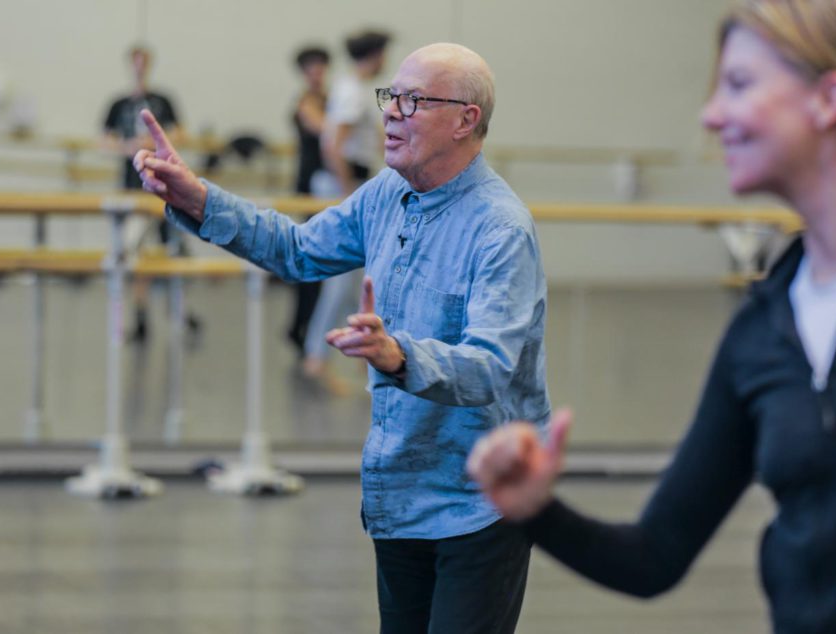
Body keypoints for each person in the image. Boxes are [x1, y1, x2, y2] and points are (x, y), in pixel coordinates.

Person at [468, 1, 836, 633]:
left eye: (740, 84)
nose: (711, 114)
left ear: (829, 98)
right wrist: (536, 510)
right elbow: (655, 556)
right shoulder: (764, 324)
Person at [134, 43, 549, 634]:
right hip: (400, 500)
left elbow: (490, 368)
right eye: (391, 97)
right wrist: (198, 198)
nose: (392, 113)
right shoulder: (387, 194)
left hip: (481, 507)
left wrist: (399, 356)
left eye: (414, 100)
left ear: (466, 120)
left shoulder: (501, 230)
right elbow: (299, 250)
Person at [299, 30, 393, 389]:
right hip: (344, 185)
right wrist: (349, 194)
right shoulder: (353, 92)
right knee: (339, 282)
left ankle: (360, 355)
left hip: (350, 183)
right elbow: (334, 146)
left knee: (357, 281)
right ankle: (315, 358)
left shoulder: (354, 88)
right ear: (376, 53)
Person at [102, 45, 200, 342]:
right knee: (136, 254)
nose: (139, 67)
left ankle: (180, 312)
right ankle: (142, 317)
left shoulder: (163, 100)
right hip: (134, 188)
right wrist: (128, 146)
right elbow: (104, 139)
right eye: (135, 62)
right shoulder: (118, 103)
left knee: (173, 252)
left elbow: (182, 132)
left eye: (143, 62)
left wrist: (156, 141)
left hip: (166, 189)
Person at [285, 45, 332, 360]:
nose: (316, 72)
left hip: (327, 185)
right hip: (310, 185)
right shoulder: (306, 102)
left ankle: (306, 326)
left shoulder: (332, 99)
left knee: (323, 259)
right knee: (309, 256)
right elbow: (328, 132)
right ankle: (299, 326)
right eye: (310, 67)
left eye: (320, 65)